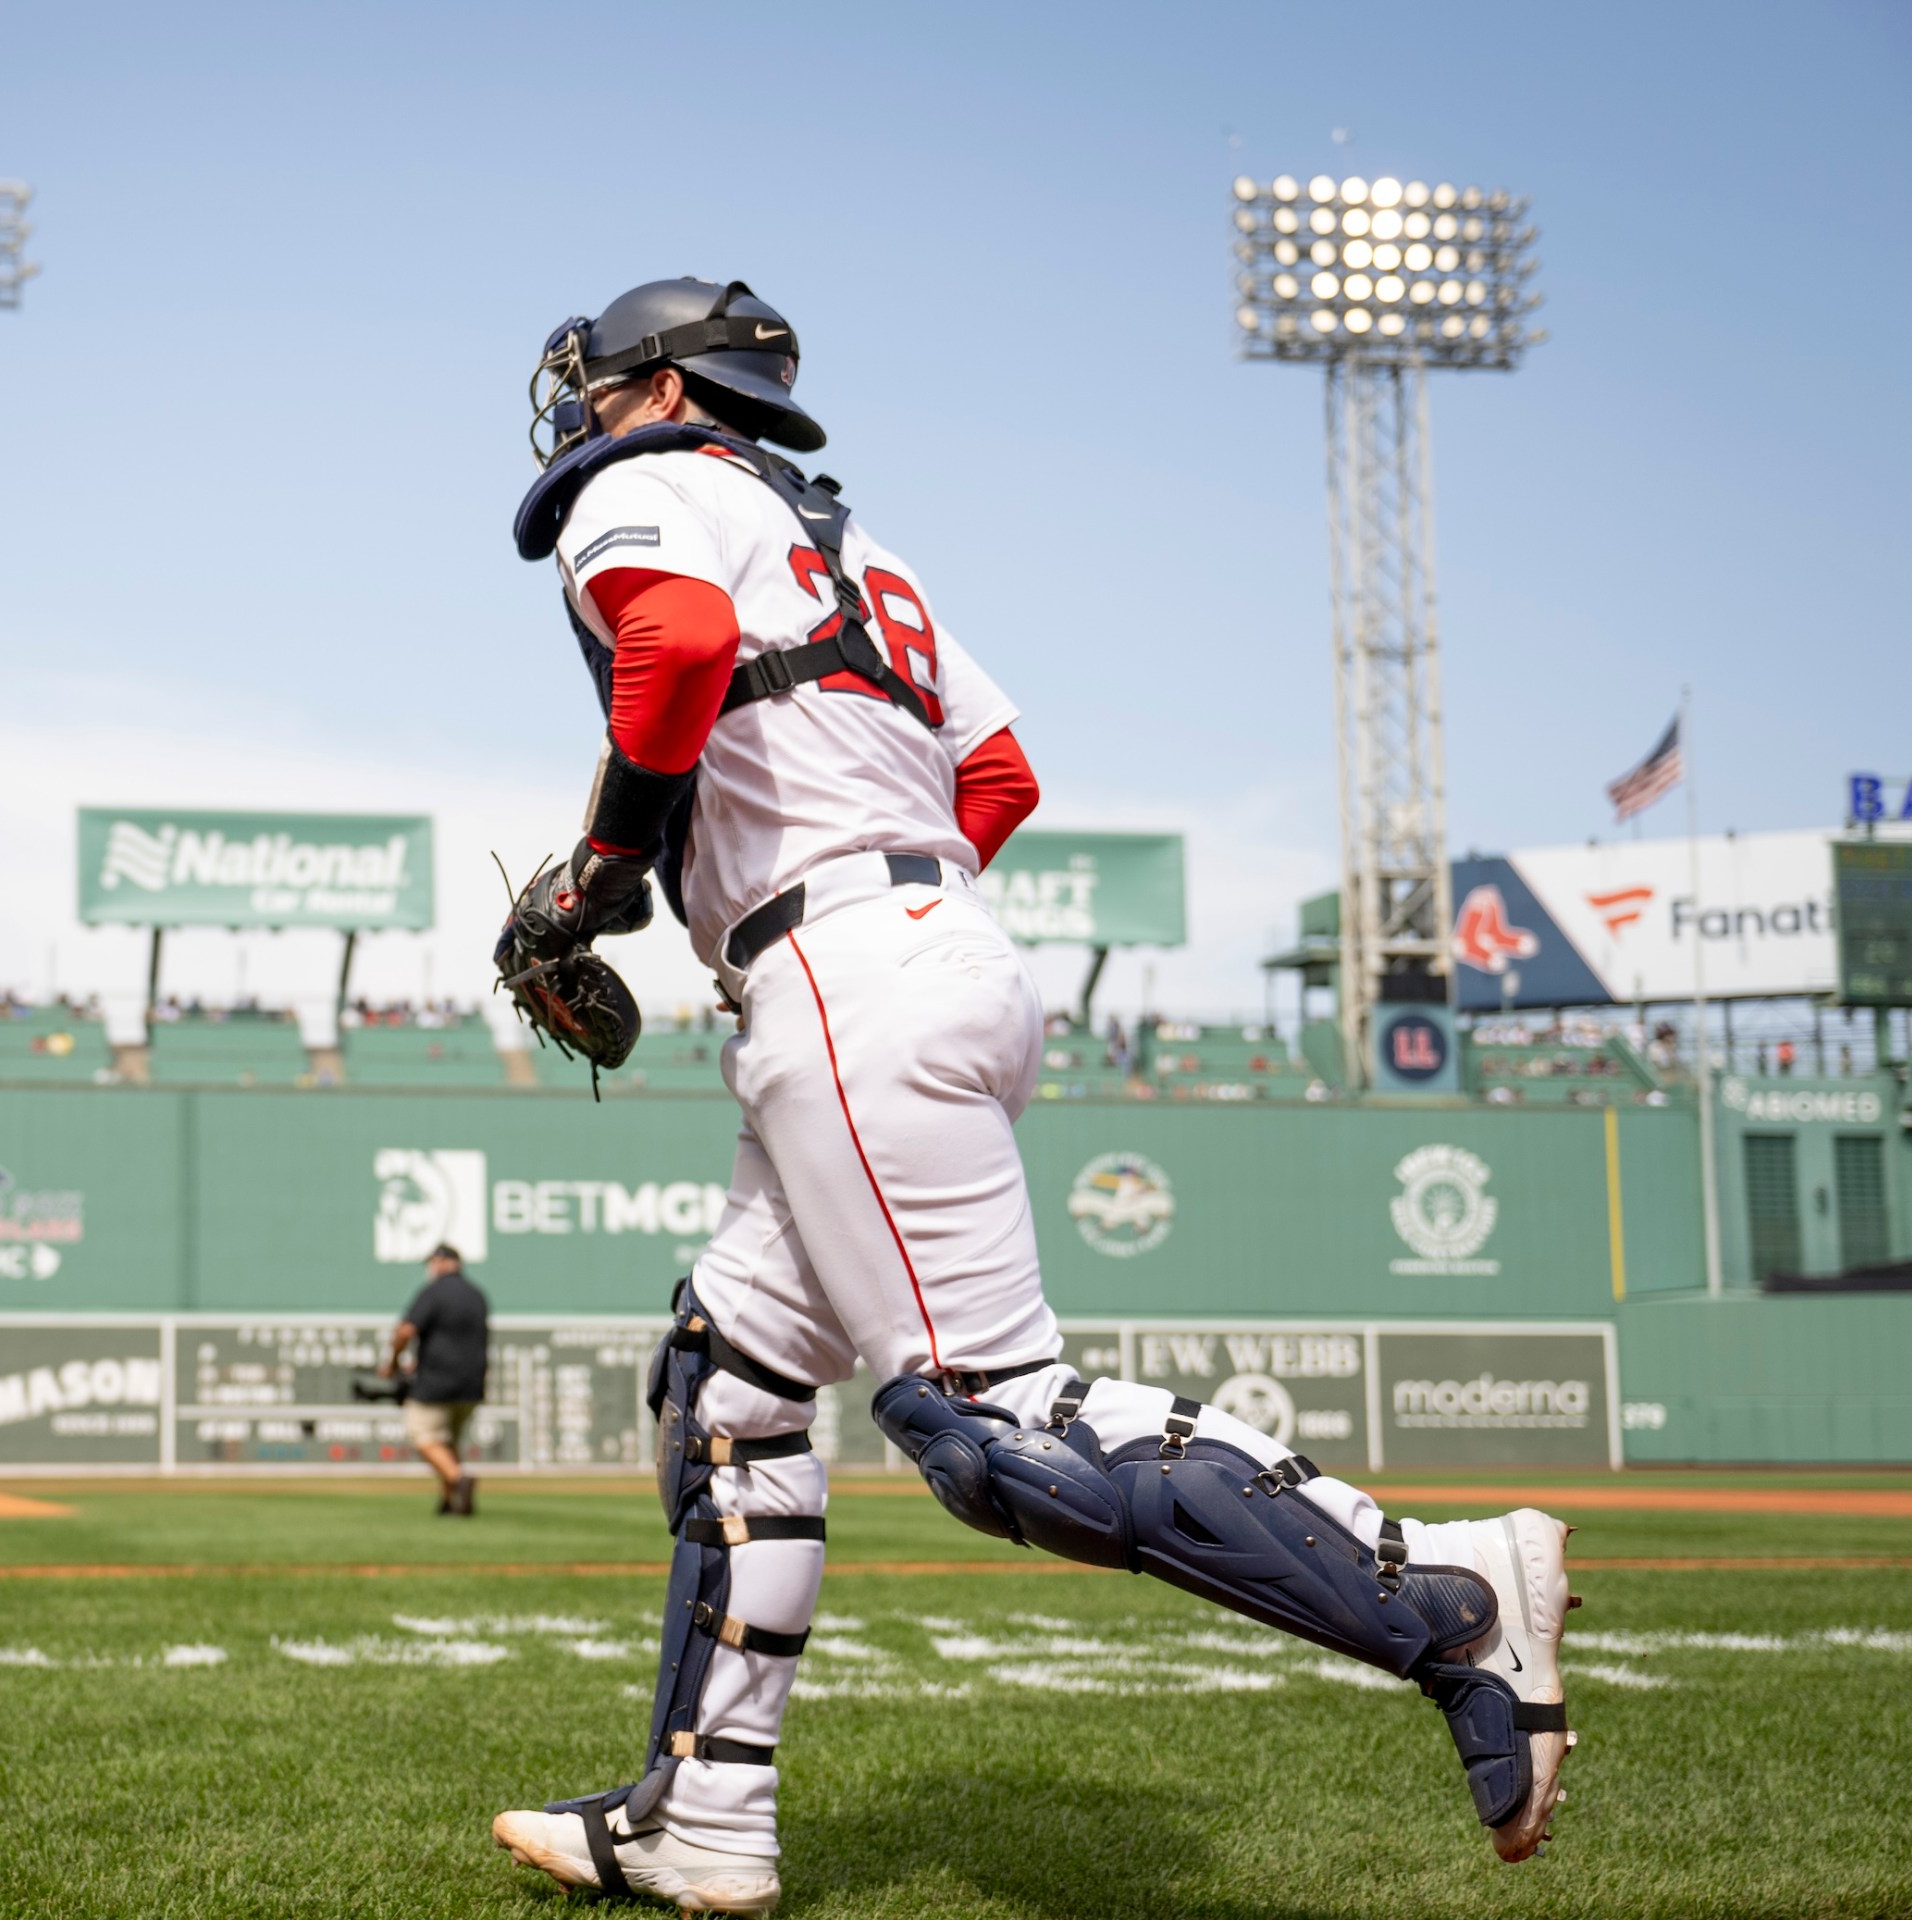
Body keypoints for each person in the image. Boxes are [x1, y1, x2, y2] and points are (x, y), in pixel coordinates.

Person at [489, 278, 1577, 1914]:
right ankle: (701, 1816)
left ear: (657, 390)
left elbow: (684, 641)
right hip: (925, 956)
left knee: (988, 1419)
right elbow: (1000, 775)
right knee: (730, 1385)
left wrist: (616, 874)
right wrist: (889, 903)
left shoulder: (649, 486)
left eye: (590, 391)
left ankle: (1443, 1589)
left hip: (853, 982)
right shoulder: (858, 550)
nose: (572, 421)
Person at [378, 1243, 490, 1515]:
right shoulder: (477, 1295)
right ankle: (449, 1500)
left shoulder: (433, 1292)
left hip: (436, 1383)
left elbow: (405, 1331)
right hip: (472, 1385)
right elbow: (459, 1341)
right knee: (449, 1443)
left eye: (433, 1262)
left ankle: (458, 1479)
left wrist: (392, 1363)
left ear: (442, 1263)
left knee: (424, 1435)